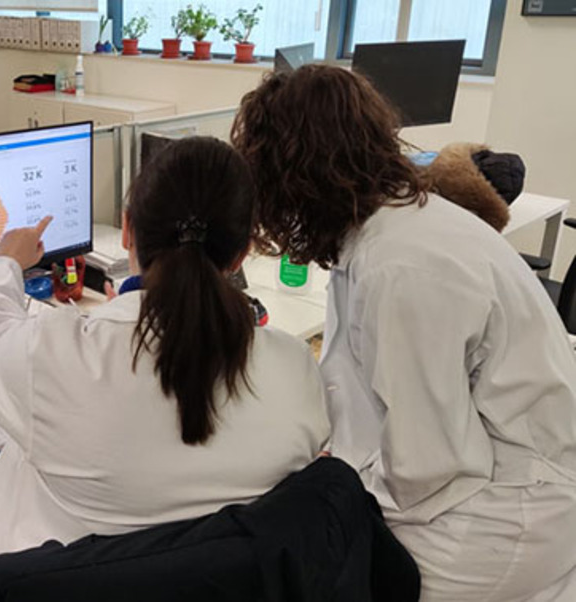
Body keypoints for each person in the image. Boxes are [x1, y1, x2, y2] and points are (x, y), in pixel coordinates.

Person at [0, 137, 330, 601]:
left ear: (126, 231)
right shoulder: (294, 370)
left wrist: (6, 262)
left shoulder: (49, 359)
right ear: (242, 254)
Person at [231, 64, 576, 601]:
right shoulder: (394, 225)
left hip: (500, 515)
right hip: (484, 474)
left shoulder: (401, 265)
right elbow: (369, 385)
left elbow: (430, 467)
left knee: (304, 561)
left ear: (296, 180)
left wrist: (336, 489)